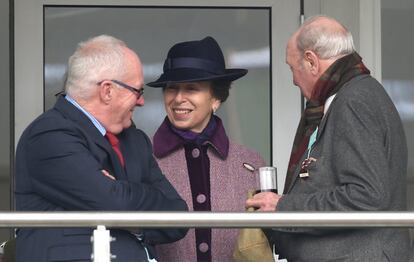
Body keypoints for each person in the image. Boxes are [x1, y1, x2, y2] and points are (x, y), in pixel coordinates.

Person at [246, 15, 411, 261]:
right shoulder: (358, 94)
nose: (292, 80)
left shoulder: (353, 101)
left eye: (292, 68)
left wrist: (282, 207)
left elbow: (366, 195)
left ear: (311, 61)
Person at [15, 35, 188, 261]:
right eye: (138, 91)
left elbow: (178, 217)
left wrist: (118, 191)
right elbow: (114, 203)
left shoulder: (135, 140)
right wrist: (122, 199)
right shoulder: (48, 134)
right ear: (107, 90)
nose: (141, 102)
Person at [147, 36, 266, 261]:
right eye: (171, 88)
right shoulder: (144, 159)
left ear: (216, 98)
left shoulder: (250, 163)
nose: (178, 98)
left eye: (191, 88)